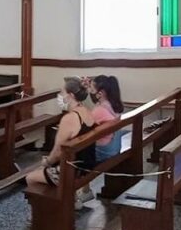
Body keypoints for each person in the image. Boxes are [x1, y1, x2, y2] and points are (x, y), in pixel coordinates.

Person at [27, 77, 97, 209]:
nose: (60, 96)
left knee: (30, 178)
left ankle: (41, 215)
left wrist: (46, 162)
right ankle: (73, 200)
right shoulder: (88, 112)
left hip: (72, 169)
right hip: (86, 164)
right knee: (42, 171)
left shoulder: (69, 118)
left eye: (62, 93)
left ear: (70, 95)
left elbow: (58, 151)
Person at [90, 75, 126, 162]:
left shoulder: (99, 110)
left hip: (103, 152)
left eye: (91, 90)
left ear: (100, 93)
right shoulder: (113, 104)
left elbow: (87, 129)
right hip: (115, 147)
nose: (90, 93)